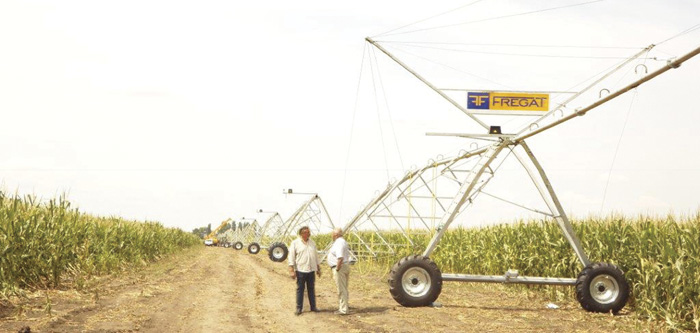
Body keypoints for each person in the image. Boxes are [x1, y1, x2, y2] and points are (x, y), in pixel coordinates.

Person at [288, 226, 321, 316]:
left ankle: (313, 307)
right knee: (300, 289)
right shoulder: (295, 243)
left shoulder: (312, 243)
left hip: (311, 270)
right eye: (306, 232)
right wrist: (291, 270)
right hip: (300, 270)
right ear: (301, 233)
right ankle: (299, 308)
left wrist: (318, 268)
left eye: (309, 232)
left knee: (311, 289)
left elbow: (316, 256)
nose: (308, 234)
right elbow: (291, 257)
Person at [327, 227, 351, 315]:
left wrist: (337, 268)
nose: (331, 236)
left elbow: (340, 257)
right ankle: (344, 307)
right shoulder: (341, 241)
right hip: (343, 266)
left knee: (341, 289)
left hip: (340, 267)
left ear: (336, 235)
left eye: (332, 234)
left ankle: (343, 310)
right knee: (343, 288)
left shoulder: (339, 242)